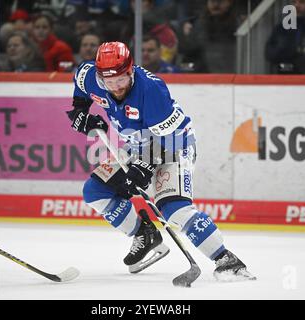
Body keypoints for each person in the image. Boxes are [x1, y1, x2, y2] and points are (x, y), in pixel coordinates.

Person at [66, 42, 256, 281]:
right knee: (95, 191)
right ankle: (145, 234)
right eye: (109, 82)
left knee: (173, 209)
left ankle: (227, 261)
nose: (115, 88)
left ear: (131, 71)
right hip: (137, 147)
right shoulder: (90, 75)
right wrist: (80, 111)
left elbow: (167, 140)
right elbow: (81, 86)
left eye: (121, 81)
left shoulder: (152, 90)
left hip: (174, 148)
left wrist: (144, 168)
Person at [178, 0, 239, 73]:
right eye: (212, 1)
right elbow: (185, 62)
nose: (216, 5)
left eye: (220, 2)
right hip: (202, 78)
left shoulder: (238, 26)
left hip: (230, 77)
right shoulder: (198, 25)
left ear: (229, 2)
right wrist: (188, 74)